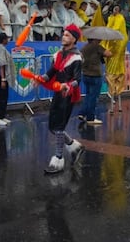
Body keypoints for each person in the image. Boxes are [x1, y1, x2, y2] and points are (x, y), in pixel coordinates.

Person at [41, 24, 85, 174]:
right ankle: (74, 146)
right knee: (53, 127)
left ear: (74, 39)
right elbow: (51, 72)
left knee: (59, 127)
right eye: (63, 34)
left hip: (67, 94)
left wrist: (68, 86)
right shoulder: (59, 55)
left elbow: (78, 79)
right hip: (58, 93)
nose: (63, 37)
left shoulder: (76, 58)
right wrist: (40, 79)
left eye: (67, 35)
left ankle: (58, 159)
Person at [102, 4, 128, 114]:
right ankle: (113, 101)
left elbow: (116, 30)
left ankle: (116, 98)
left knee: (117, 75)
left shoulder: (120, 18)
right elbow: (109, 29)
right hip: (111, 48)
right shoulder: (110, 18)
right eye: (114, 8)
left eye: (117, 8)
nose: (115, 10)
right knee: (111, 75)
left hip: (118, 48)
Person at [79, 37, 110, 125]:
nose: (101, 39)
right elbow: (108, 54)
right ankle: (90, 118)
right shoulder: (97, 47)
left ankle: (82, 113)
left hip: (85, 74)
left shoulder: (84, 48)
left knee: (88, 95)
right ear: (94, 39)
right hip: (95, 75)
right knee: (93, 97)